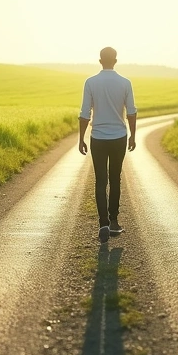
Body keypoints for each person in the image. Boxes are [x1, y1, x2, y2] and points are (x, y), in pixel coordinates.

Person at [78, 46, 137, 244]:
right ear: (116, 60)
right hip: (119, 136)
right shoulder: (125, 83)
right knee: (115, 179)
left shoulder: (91, 82)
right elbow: (131, 112)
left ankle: (103, 223)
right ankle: (113, 222)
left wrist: (81, 139)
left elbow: (85, 113)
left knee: (100, 181)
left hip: (98, 138)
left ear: (100, 60)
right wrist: (133, 136)